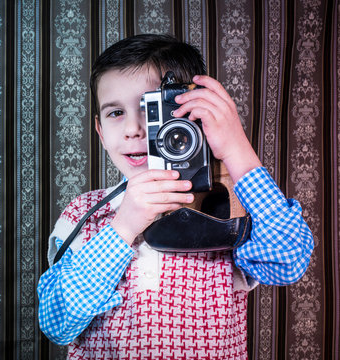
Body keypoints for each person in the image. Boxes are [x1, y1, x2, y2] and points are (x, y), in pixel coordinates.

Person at [37, 34, 313, 359]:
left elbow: (288, 262)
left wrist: (237, 149)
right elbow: (57, 323)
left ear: (195, 111)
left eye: (150, 109)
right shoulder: (83, 212)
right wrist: (121, 229)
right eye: (115, 113)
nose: (133, 129)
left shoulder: (230, 205)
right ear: (100, 132)